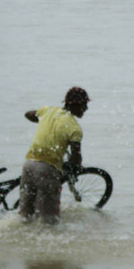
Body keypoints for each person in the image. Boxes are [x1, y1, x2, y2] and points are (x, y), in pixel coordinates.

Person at [19, 87, 89, 224]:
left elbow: (28, 114)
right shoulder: (75, 128)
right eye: (84, 105)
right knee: (49, 223)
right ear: (75, 105)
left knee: (25, 217)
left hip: (28, 166)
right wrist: (76, 167)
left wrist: (44, 122)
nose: (86, 108)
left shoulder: (48, 111)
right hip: (47, 171)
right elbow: (75, 156)